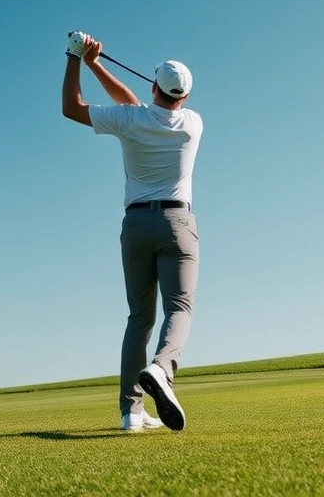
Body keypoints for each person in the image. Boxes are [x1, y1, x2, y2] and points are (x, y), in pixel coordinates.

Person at [61, 31, 203, 432]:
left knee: (139, 318)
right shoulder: (193, 123)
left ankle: (131, 413)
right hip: (178, 224)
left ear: (154, 85)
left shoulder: (130, 120)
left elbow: (73, 109)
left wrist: (76, 58)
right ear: (185, 97)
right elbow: (137, 105)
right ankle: (161, 369)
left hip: (136, 224)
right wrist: (95, 64)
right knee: (179, 309)